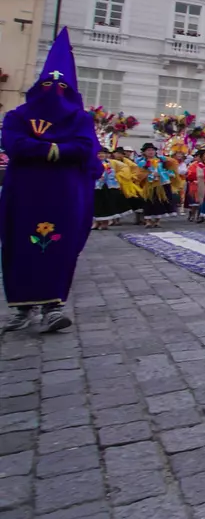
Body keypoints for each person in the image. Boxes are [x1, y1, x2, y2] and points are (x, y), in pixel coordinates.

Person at [1, 28, 104, 334]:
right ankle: (21, 307)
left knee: (59, 245)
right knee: (19, 245)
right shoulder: (17, 116)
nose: (53, 90)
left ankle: (53, 306)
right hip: (24, 193)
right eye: (47, 84)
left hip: (63, 194)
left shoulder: (80, 120)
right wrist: (57, 149)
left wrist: (42, 149)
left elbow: (84, 148)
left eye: (60, 86)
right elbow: (14, 145)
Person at [136, 143, 177, 228]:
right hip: (149, 184)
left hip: (162, 182)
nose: (151, 152)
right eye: (148, 150)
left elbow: (171, 165)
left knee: (161, 201)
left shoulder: (161, 160)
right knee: (149, 202)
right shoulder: (141, 162)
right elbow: (139, 174)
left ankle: (157, 221)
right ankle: (148, 221)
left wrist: (167, 173)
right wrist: (149, 175)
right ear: (144, 152)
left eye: (152, 150)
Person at [92, 149, 128, 230]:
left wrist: (109, 177)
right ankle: (96, 222)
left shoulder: (109, 163)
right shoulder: (92, 163)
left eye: (102, 153)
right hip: (95, 185)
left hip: (106, 186)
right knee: (95, 204)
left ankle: (105, 222)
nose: (101, 155)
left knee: (105, 205)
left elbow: (116, 171)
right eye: (98, 153)